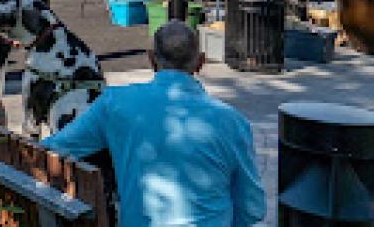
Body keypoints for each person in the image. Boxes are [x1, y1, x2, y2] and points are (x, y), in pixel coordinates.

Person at [43, 21, 265, 226]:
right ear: (200, 62)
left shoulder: (114, 104)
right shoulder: (233, 122)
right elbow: (253, 209)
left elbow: (54, 147)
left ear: (151, 59)